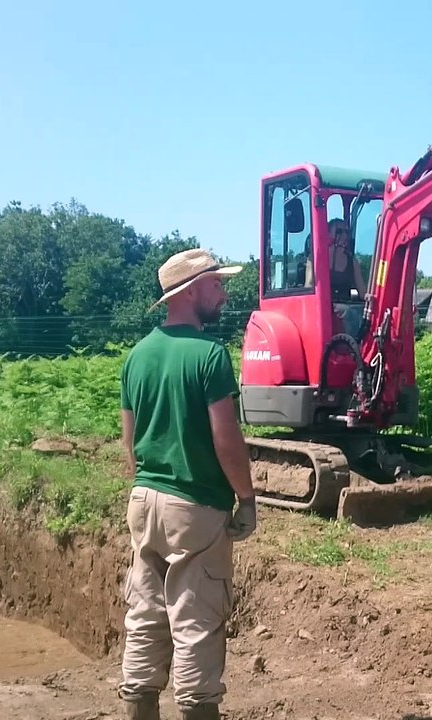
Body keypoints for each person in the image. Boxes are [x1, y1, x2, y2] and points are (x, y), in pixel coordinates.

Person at [117, 248, 259, 720]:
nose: (224, 293)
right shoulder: (209, 356)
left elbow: (129, 441)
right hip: (194, 506)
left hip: (144, 500)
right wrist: (246, 499)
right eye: (216, 284)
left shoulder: (137, 356)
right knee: (196, 622)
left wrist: (146, 485)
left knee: (145, 617)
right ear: (191, 291)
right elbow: (227, 441)